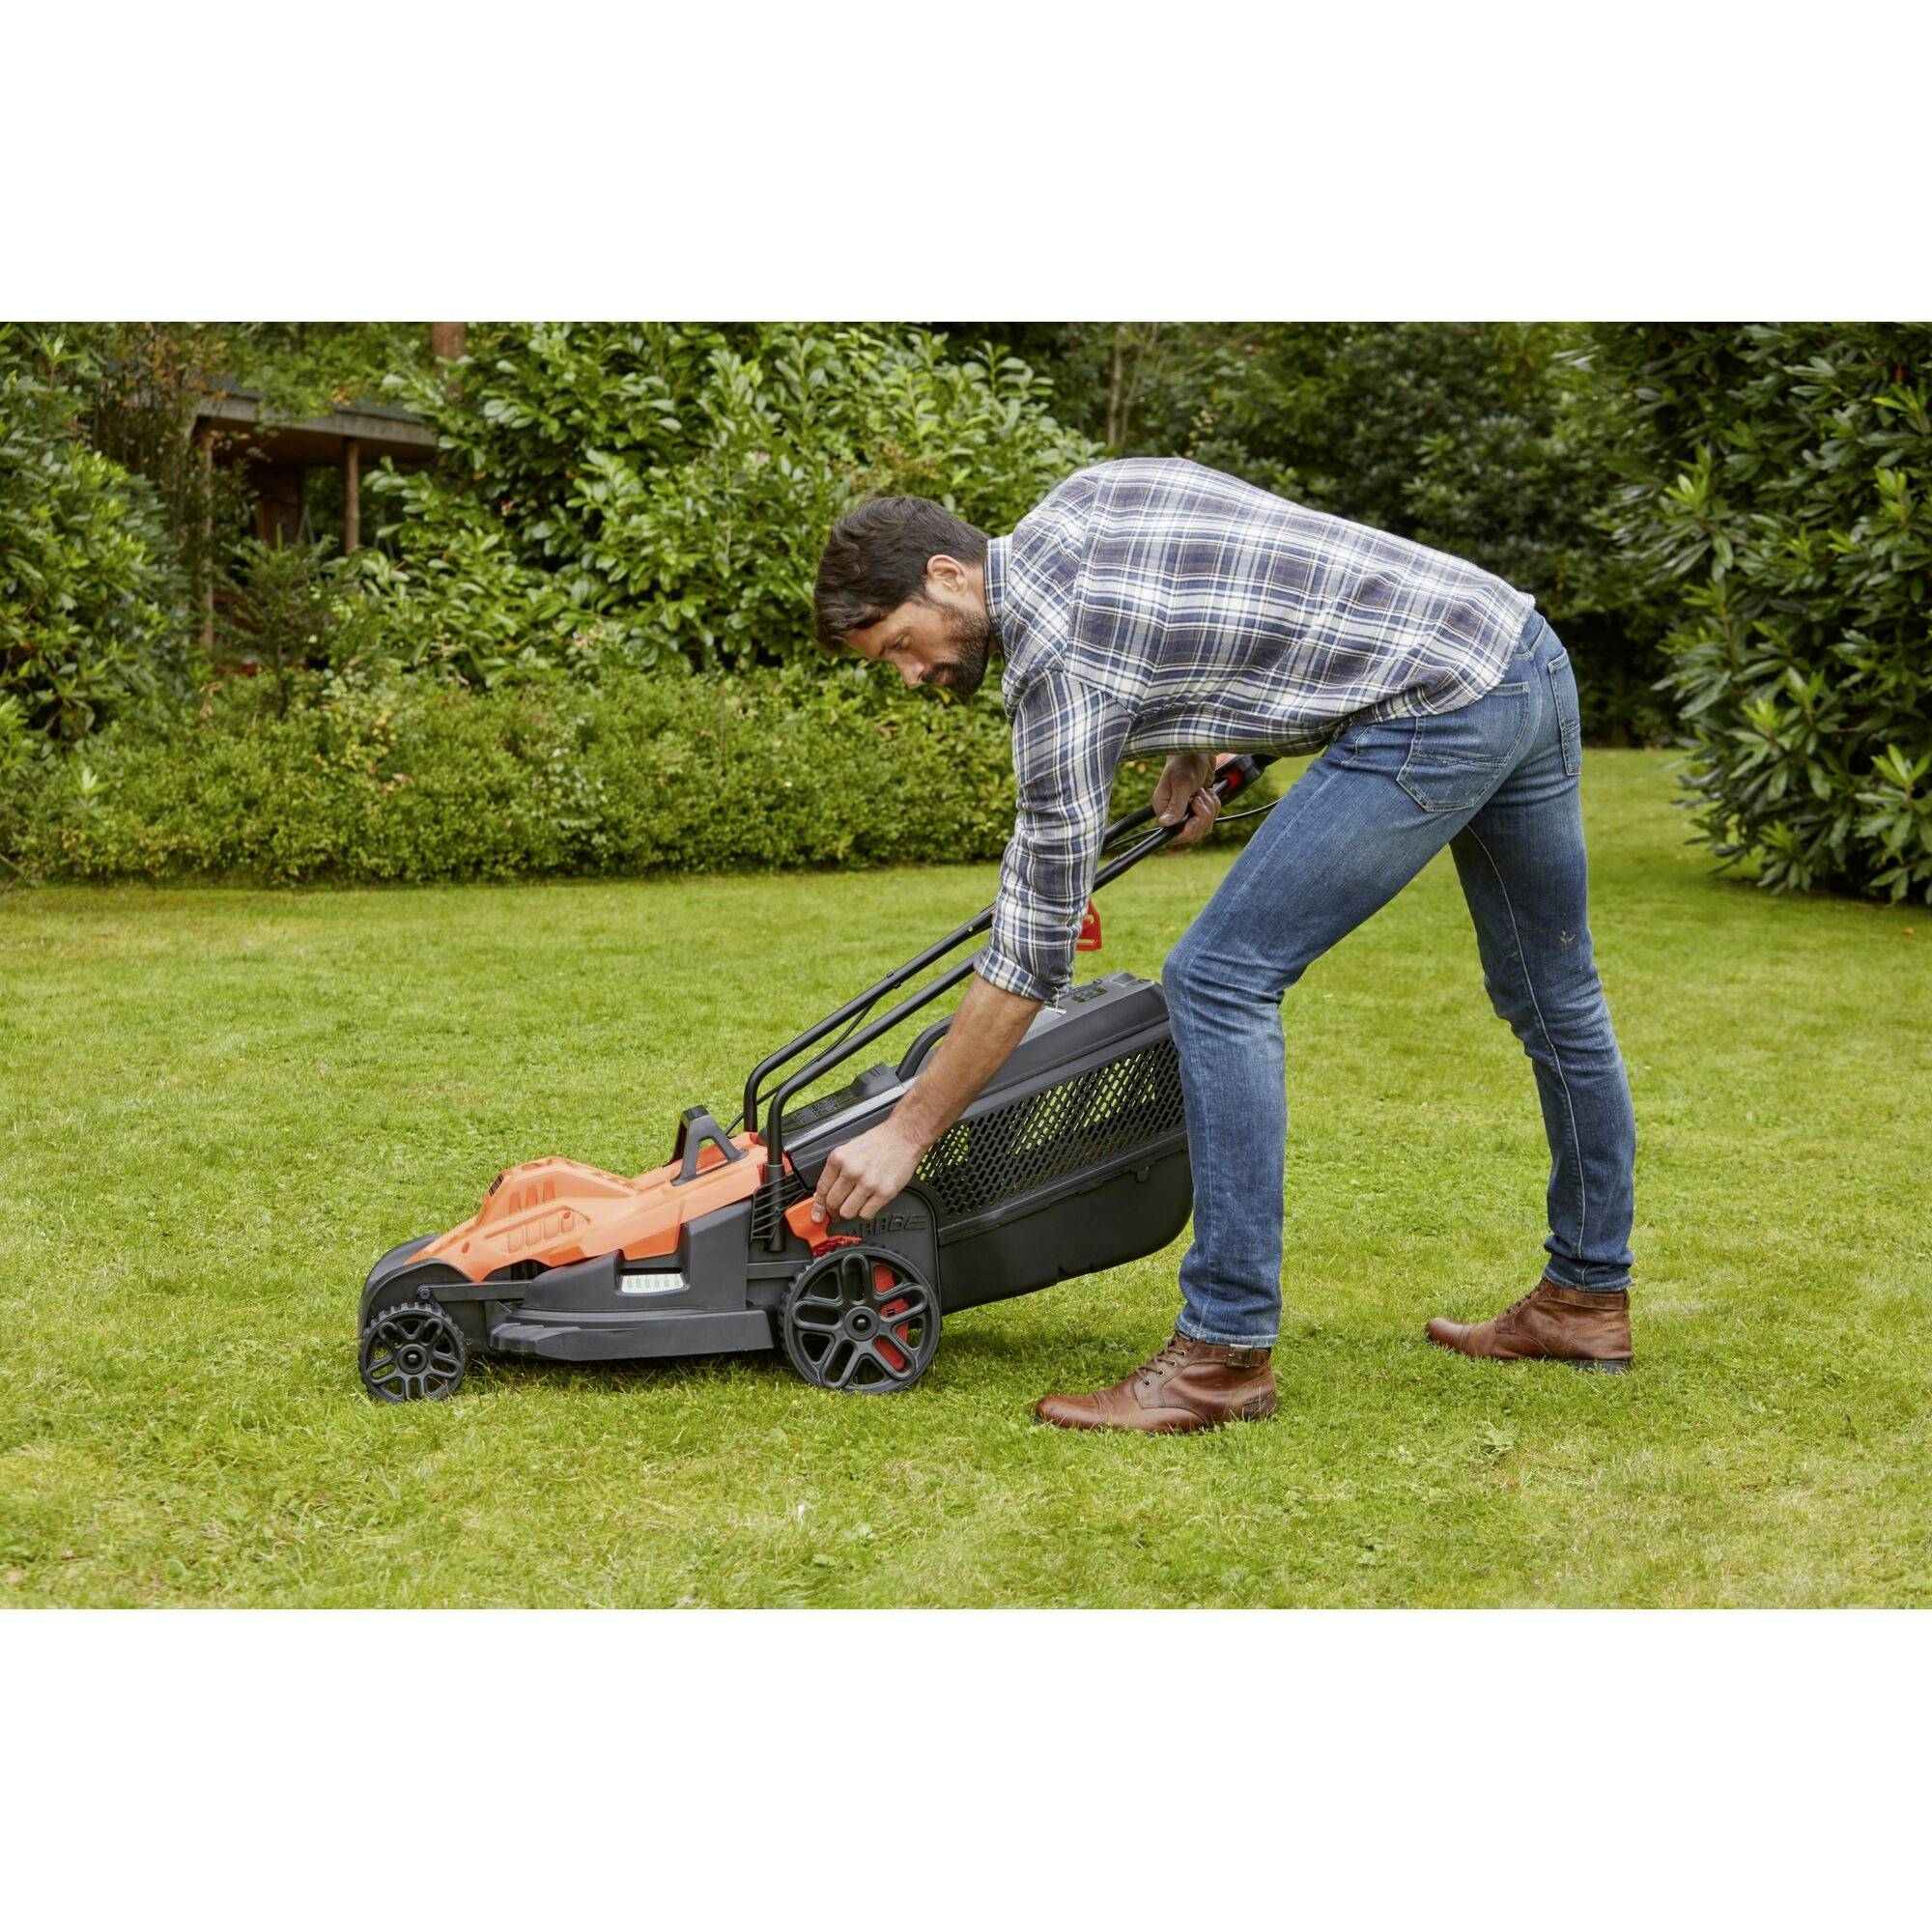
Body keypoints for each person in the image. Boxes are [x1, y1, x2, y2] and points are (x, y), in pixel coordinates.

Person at [809, 458, 1636, 1434]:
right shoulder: (1082, 501)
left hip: (1435, 704)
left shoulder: (1055, 666)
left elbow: (1031, 948)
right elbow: (1235, 573)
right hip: (1513, 647)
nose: (913, 675)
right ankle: (1584, 1298)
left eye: (902, 644)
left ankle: (1222, 1351)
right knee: (1553, 994)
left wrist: (906, 1131)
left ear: (948, 574)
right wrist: (1190, 743)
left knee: (1216, 979)